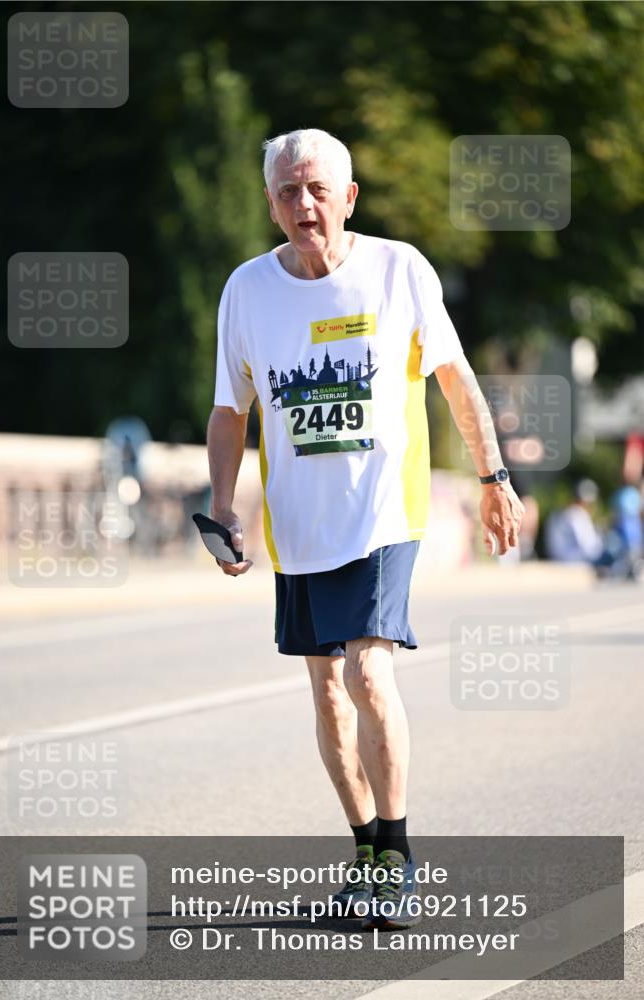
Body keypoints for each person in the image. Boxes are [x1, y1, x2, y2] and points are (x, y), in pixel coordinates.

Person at [207, 129, 524, 930]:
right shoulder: (246, 290)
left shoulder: (399, 270)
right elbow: (228, 410)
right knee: (325, 690)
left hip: (383, 513)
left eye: (318, 189)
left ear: (349, 198)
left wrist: (492, 476)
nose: (303, 205)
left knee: (367, 675)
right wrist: (220, 505)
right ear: (271, 202)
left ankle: (400, 855)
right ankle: (366, 853)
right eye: (287, 191)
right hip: (299, 526)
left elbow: (453, 379)